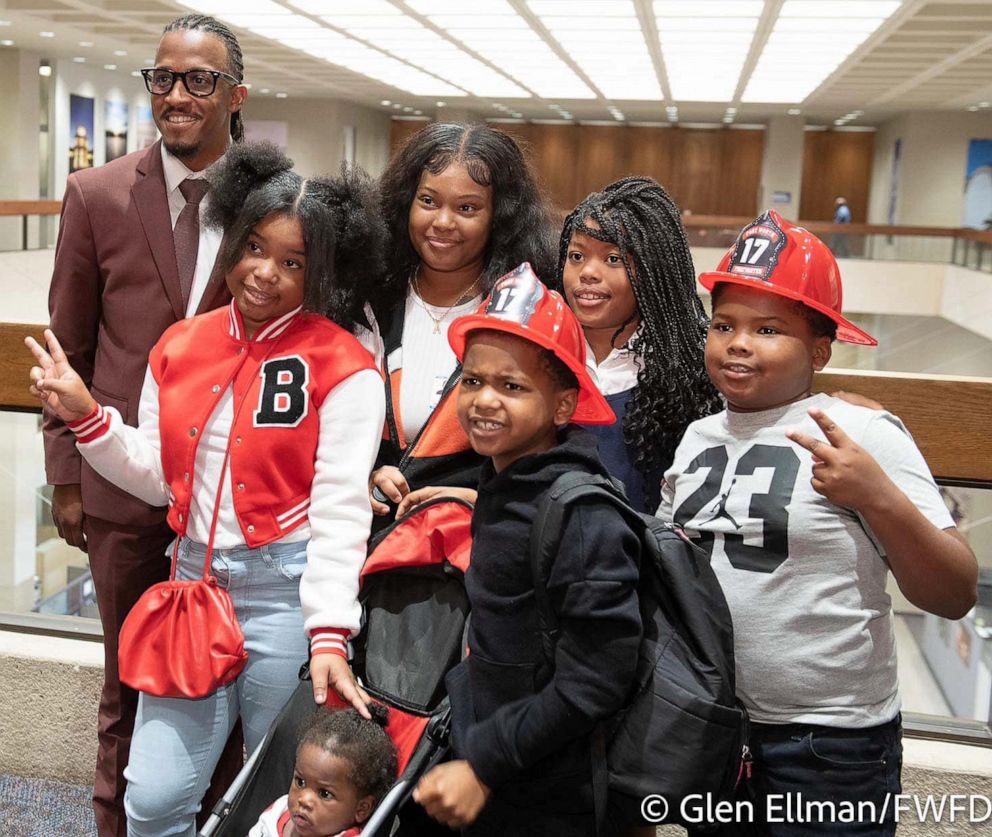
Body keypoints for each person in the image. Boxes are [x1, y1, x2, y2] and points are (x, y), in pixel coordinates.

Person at [27, 142, 387, 837]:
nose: (265, 273)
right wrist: (87, 416)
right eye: (254, 247)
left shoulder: (345, 365)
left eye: (293, 262)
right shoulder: (181, 345)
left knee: (275, 799)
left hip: (287, 595)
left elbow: (342, 511)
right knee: (154, 797)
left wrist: (329, 633)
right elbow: (159, 477)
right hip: (192, 587)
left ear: (320, 272)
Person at [658, 210, 978, 836]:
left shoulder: (860, 432)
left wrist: (876, 495)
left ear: (821, 350)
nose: (738, 343)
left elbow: (956, 592)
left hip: (831, 748)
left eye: (769, 328)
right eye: (724, 325)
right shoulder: (696, 436)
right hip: (716, 730)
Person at [43, 14, 248, 835]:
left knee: (226, 683)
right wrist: (66, 477)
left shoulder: (272, 201)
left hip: (233, 503)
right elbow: (71, 340)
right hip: (121, 491)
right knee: (125, 683)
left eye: (198, 80)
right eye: (162, 78)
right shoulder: (98, 195)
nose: (177, 95)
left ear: (235, 95)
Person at [413, 265, 642, 836]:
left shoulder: (583, 515)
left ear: (564, 406)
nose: (484, 401)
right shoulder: (504, 485)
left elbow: (597, 680)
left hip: (548, 795)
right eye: (472, 381)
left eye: (511, 387)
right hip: (494, 771)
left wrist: (486, 765)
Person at [366, 122, 557, 524]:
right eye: (429, 201)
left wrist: (479, 497)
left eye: (467, 208)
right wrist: (358, 478)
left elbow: (552, 452)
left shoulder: (527, 310)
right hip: (366, 556)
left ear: (498, 216)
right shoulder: (365, 299)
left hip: (478, 554)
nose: (443, 222)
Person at [556, 176, 722, 512]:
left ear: (653, 270)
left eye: (613, 259)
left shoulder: (688, 372)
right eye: (576, 256)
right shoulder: (543, 352)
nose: (587, 272)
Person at [249, 706, 398, 837]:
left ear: (361, 809)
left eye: (324, 794)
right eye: (300, 782)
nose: (304, 800)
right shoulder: (278, 811)